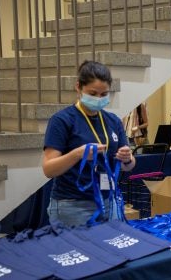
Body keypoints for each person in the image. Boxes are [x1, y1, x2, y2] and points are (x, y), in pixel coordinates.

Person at [42, 60, 135, 226]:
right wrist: (77, 154)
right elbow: (49, 169)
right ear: (78, 87)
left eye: (104, 94)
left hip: (109, 201)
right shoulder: (62, 120)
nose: (98, 99)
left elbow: (128, 165)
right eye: (92, 94)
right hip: (73, 205)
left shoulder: (113, 121)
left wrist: (127, 158)